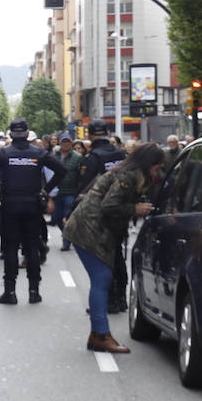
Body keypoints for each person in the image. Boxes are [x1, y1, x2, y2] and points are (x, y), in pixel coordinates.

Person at [63, 144, 166, 353]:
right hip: (89, 230)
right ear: (150, 164)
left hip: (89, 229)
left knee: (102, 278)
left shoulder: (130, 174)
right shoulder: (128, 176)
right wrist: (134, 209)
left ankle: (98, 334)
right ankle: (101, 335)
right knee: (101, 279)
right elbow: (109, 206)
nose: (158, 172)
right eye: (158, 167)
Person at [0, 119, 67, 305]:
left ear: (10, 135)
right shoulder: (38, 152)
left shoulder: (3, 153)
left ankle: (9, 292)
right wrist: (46, 190)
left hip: (10, 204)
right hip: (33, 204)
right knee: (32, 248)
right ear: (27, 134)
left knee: (10, 248)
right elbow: (62, 170)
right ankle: (34, 291)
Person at [72, 120, 128, 311]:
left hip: (102, 213)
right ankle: (122, 297)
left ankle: (109, 299)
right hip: (121, 210)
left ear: (89, 135)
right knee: (118, 254)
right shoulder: (120, 154)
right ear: (107, 133)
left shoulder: (93, 157)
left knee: (104, 256)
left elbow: (84, 186)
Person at [51, 133, 85, 250]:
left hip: (71, 191)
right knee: (57, 217)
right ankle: (67, 234)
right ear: (60, 143)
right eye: (63, 142)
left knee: (67, 217)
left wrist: (80, 192)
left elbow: (81, 176)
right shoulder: (54, 156)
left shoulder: (78, 157)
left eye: (68, 142)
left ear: (71, 143)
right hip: (56, 192)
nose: (65, 144)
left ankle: (66, 242)